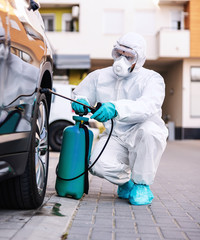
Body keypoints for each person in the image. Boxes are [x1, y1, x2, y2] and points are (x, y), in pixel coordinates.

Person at [71, 32, 168, 205]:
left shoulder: (151, 79)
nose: (122, 60)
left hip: (140, 131)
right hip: (114, 135)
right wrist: (81, 100)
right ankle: (126, 181)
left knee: (150, 132)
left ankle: (142, 185)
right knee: (96, 165)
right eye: (119, 53)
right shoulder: (100, 76)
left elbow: (148, 106)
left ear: (139, 59)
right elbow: (81, 92)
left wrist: (117, 108)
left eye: (129, 56)